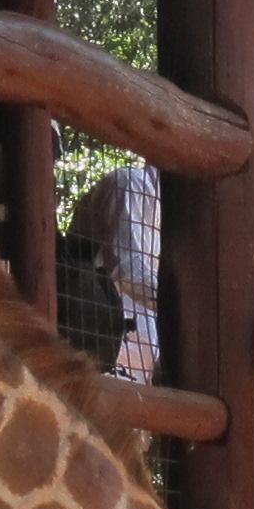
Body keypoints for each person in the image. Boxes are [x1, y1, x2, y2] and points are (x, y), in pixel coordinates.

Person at [63, 159, 162, 384]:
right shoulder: (131, 184)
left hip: (126, 345)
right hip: (91, 335)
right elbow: (128, 272)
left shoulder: (176, 217)